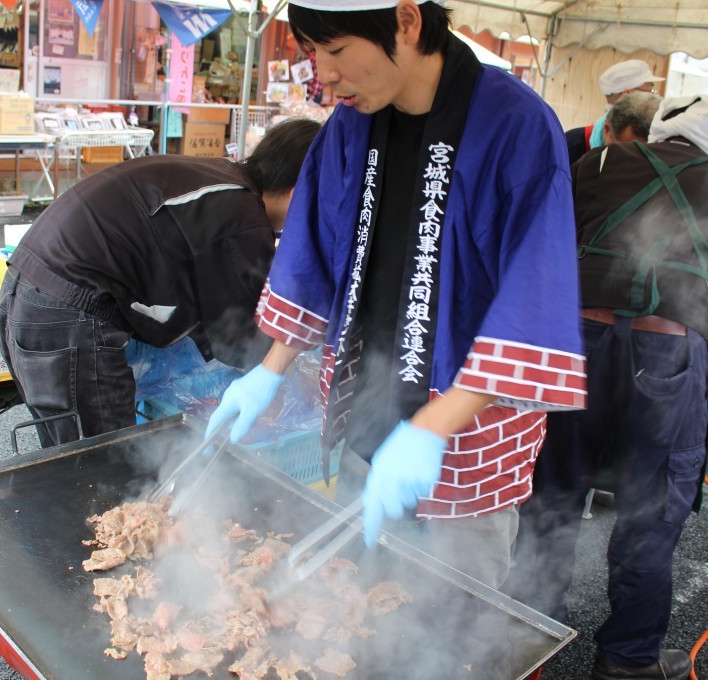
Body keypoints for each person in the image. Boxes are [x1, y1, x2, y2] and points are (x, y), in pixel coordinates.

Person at [205, 0, 587, 590]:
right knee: (355, 603)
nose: (322, 75)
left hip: (467, 433)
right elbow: (317, 254)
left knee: (457, 619)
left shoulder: (515, 126)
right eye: (311, 52)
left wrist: (432, 427)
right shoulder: (349, 125)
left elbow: (532, 299)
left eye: (334, 51)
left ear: (407, 21)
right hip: (367, 409)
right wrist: (271, 370)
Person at [506, 95, 708, 680]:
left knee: (553, 492)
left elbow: (542, 248)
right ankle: (627, 659)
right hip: (669, 352)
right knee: (651, 512)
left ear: (658, 133)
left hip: (576, 344)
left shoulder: (598, 163)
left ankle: (527, 631)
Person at [0, 118, 322, 448]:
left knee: (72, 457)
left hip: (26, 288)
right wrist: (285, 380)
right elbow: (236, 337)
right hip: (66, 311)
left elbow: (213, 303)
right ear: (302, 193)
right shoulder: (242, 217)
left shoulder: (222, 182)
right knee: (100, 469)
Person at [565, 59, 664, 164]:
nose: (654, 97)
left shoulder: (656, 141)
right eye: (649, 92)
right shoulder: (575, 143)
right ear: (627, 95)